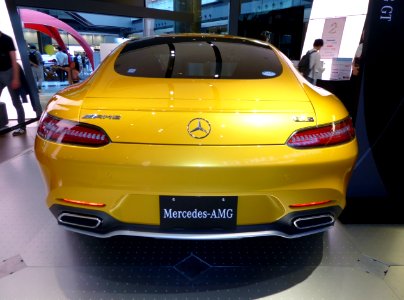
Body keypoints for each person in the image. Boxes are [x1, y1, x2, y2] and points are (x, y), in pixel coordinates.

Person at [0, 31, 26, 136]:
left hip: (9, 72)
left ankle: (22, 127)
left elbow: (14, 60)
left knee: (16, 102)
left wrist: (16, 78)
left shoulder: (7, 39)